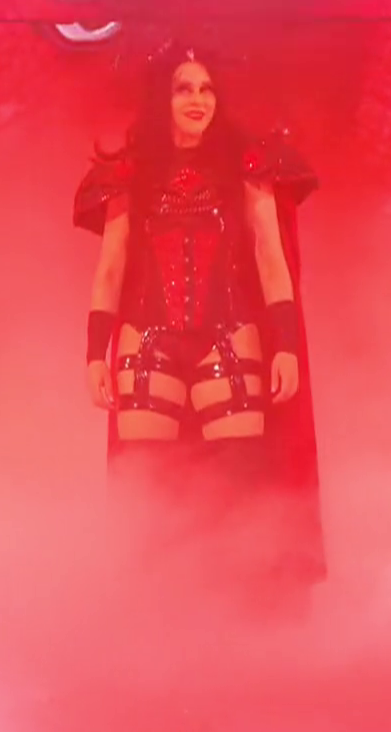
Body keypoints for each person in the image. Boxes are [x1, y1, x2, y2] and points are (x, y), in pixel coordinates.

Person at [73, 44, 326, 615]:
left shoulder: (248, 166)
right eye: (184, 88)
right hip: (146, 341)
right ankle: (157, 624)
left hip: (229, 336)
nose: (197, 99)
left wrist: (286, 346)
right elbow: (110, 269)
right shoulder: (128, 174)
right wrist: (94, 356)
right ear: (162, 99)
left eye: (207, 88)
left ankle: (242, 621)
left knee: (239, 491)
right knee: (149, 493)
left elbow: (270, 259)